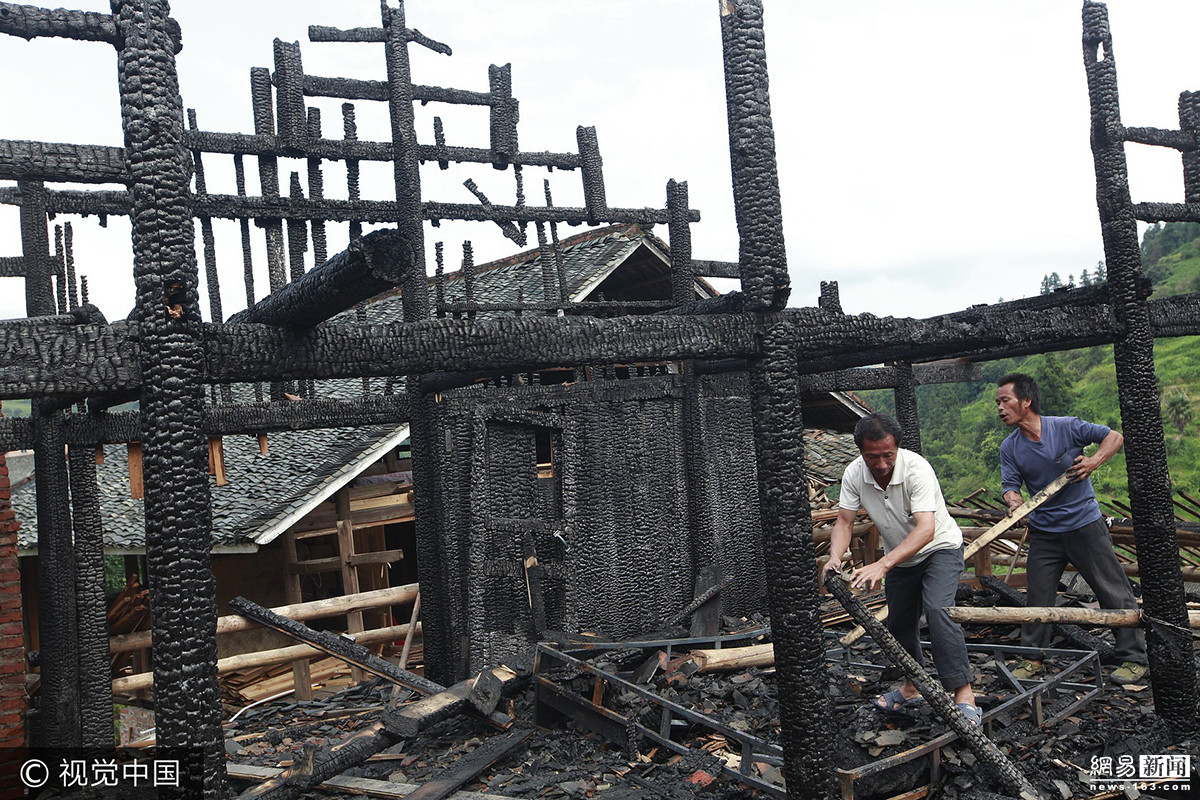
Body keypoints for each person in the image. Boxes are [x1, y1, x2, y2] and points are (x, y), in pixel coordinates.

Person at [823, 413, 980, 725]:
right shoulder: (854, 473)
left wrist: (882, 564)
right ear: (860, 451)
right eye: (872, 457)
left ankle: (964, 694)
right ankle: (912, 686)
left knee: (939, 611)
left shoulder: (916, 469)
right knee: (900, 623)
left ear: (897, 448)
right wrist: (834, 557)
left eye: (888, 455)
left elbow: (926, 530)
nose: (881, 464)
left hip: (939, 548)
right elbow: (844, 521)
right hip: (901, 557)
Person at [995, 373, 1148, 684]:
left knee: (1112, 589)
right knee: (1038, 595)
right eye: (997, 403)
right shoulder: (1010, 447)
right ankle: (1032, 659)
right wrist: (1014, 501)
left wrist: (1093, 461)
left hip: (1084, 525)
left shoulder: (1066, 427)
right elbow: (1010, 485)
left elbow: (1114, 436)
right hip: (1044, 531)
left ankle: (1133, 658)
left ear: (1026, 401)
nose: (999, 408)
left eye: (1005, 401)